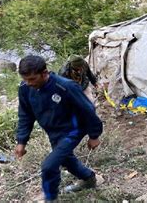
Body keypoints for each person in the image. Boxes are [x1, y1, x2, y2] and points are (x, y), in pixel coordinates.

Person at [14, 55, 103, 202]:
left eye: (32, 79)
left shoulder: (66, 86)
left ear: (44, 73)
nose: (28, 83)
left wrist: (94, 135)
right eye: (25, 79)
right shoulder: (25, 89)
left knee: (49, 166)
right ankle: (89, 179)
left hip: (72, 130)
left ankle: (51, 198)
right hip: (52, 131)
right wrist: (21, 141)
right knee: (65, 159)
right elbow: (25, 115)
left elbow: (88, 110)